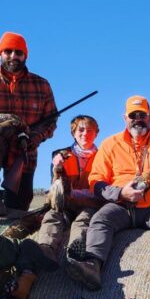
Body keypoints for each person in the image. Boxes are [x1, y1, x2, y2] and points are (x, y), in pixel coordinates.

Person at [71, 95, 150, 290]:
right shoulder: (110, 144)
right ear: (125, 118)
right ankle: (92, 265)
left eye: (142, 115)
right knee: (101, 219)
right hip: (121, 206)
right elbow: (95, 181)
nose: (138, 119)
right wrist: (121, 193)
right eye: (133, 115)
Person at [0, 32, 57, 217]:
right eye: (8, 51)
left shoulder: (42, 85)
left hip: (23, 152)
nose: (13, 56)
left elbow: (51, 120)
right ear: (0, 54)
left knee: (18, 210)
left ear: (25, 55)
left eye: (18, 52)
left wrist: (34, 137)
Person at [36, 113, 103, 277]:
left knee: (84, 220)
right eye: (81, 130)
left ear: (96, 133)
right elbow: (56, 186)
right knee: (52, 216)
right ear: (73, 132)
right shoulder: (60, 155)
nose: (85, 134)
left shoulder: (104, 157)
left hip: (89, 204)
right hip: (66, 204)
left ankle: (75, 251)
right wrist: (57, 169)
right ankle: (45, 249)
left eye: (90, 130)